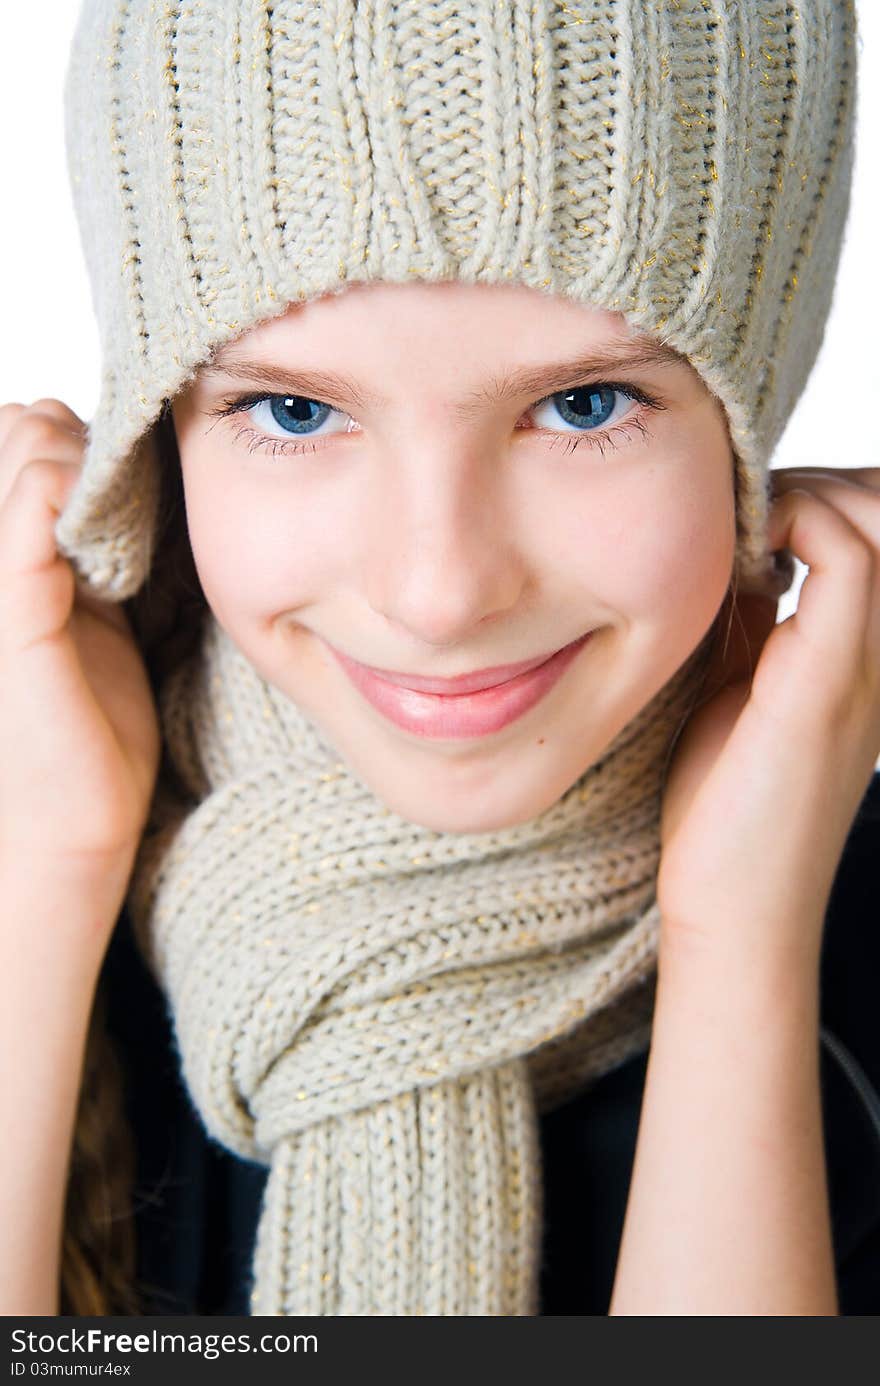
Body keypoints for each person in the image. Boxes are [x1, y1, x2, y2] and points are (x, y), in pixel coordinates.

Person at [0, 0, 877, 1317]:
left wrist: (743, 938)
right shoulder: (52, 836)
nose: (440, 592)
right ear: (157, 442)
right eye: (294, 410)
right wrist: (43, 872)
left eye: (584, 405)